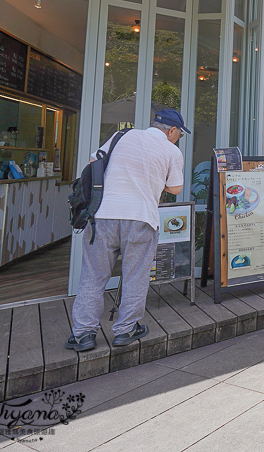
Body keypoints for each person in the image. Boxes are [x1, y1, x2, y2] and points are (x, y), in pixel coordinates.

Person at [66, 109, 187, 351]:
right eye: (179, 135)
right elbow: (175, 188)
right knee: (135, 275)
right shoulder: (171, 151)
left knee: (93, 275)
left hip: (102, 216)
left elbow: (93, 163)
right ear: (171, 131)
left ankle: (83, 334)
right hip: (141, 218)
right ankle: (126, 330)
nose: (178, 139)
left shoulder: (122, 136)